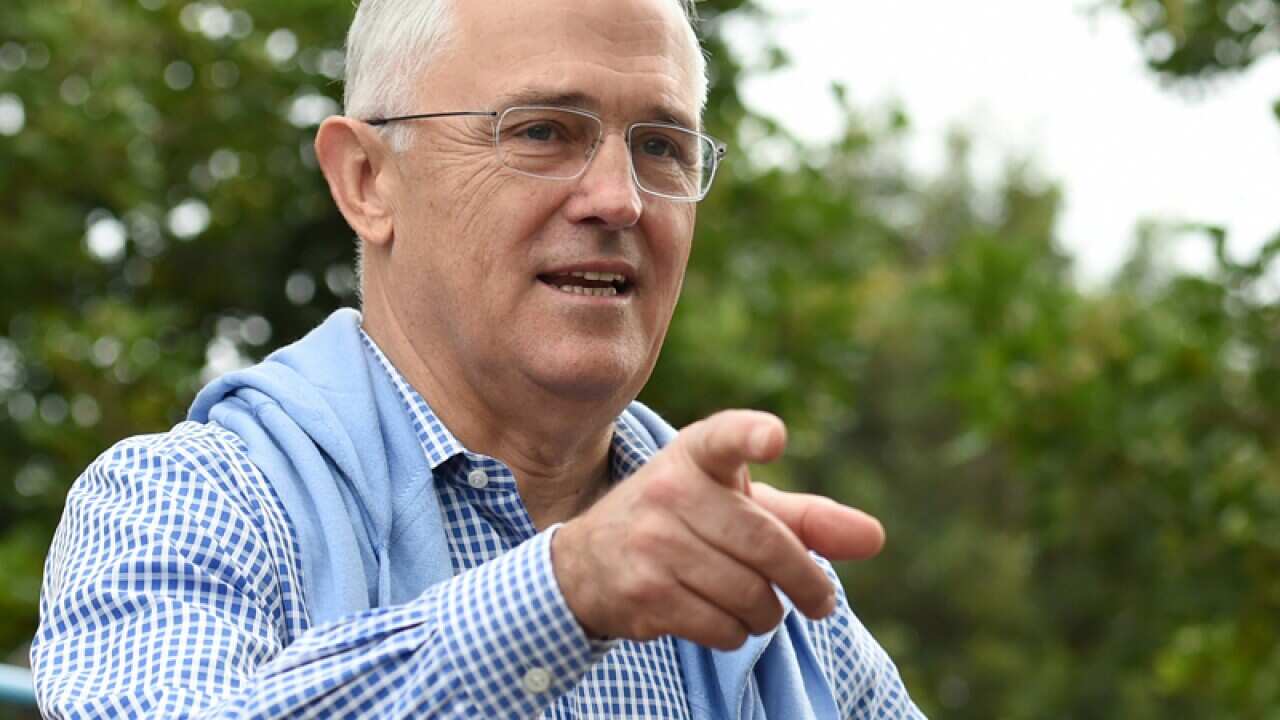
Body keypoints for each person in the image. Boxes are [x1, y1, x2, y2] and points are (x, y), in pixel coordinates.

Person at [31, 0, 924, 717]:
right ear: (367, 182)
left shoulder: (753, 569)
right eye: (542, 131)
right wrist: (562, 592)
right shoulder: (183, 502)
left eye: (661, 146)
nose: (619, 199)